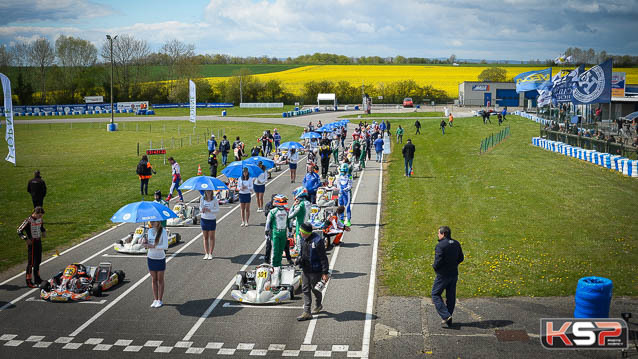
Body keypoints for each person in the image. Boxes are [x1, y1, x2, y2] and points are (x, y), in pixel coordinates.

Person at [295, 222, 329, 321]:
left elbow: (323, 258)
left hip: (315, 270)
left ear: (306, 232)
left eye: (302, 232)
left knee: (315, 289)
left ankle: (318, 304)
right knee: (305, 289)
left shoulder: (318, 241)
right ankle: (307, 312)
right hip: (305, 269)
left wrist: (325, 273)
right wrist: (299, 259)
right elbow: (301, 252)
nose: (300, 233)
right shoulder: (302, 239)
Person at [431, 226, 464, 327]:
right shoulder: (456, 243)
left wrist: (435, 267)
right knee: (451, 296)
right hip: (454, 274)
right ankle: (448, 316)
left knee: (435, 294)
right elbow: (461, 258)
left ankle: (445, 316)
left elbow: (438, 261)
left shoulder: (440, 246)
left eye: (439, 233)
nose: (438, 235)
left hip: (443, 275)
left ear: (443, 234)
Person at [18, 207, 46, 287]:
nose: (41, 217)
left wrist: (43, 231)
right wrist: (26, 239)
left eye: (41, 215)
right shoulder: (28, 221)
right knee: (31, 262)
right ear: (35, 213)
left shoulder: (40, 219)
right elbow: (19, 231)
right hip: (32, 243)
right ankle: (29, 281)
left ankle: (37, 279)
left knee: (38, 261)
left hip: (38, 241)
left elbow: (41, 227)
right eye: (39, 215)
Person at [145, 220, 168, 308]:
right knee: (154, 279)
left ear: (158, 221)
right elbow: (149, 244)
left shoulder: (163, 231)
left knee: (160, 279)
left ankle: (160, 300)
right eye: (151, 221)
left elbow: (165, 246)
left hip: (160, 258)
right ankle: (155, 299)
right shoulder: (149, 231)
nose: (152, 223)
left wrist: (154, 246)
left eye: (154, 221)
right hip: (151, 257)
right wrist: (145, 243)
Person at [265, 195, 290, 268]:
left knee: (281, 250)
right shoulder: (273, 212)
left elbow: (289, 221)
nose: (285, 202)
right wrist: (267, 232)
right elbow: (268, 222)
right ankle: (273, 265)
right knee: (275, 250)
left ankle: (279, 264)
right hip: (275, 233)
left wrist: (290, 230)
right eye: (283, 201)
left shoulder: (286, 211)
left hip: (283, 233)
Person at [289, 187, 311, 255]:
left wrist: (293, 205)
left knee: (300, 246)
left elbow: (290, 216)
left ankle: (302, 259)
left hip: (301, 228)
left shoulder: (300, 205)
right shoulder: (308, 202)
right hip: (308, 225)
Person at [199, 190, 219, 260]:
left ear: (211, 192)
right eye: (207, 191)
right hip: (204, 219)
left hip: (212, 219)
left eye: (209, 191)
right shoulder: (202, 198)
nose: (208, 192)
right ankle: (206, 253)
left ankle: (210, 253)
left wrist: (210, 210)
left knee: (211, 237)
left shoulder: (215, 199)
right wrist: (203, 209)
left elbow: (217, 209)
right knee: (205, 237)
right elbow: (200, 208)